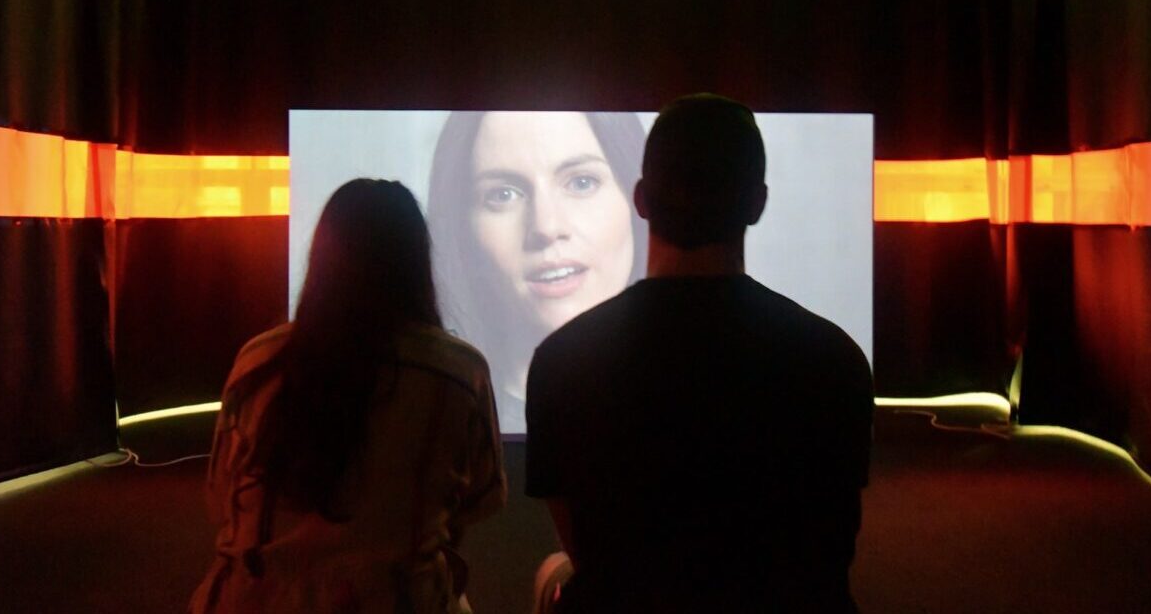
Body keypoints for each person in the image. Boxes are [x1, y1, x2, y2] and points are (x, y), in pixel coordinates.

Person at [525, 94, 874, 612]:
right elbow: (828, 543)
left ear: (641, 199)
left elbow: (588, 550)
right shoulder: (834, 358)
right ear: (757, 203)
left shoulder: (562, 361)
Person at [190, 179, 505, 614]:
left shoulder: (258, 361)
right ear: (417, 263)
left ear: (321, 257)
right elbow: (483, 499)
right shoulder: (459, 372)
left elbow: (219, 495)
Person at [428, 111, 648, 432]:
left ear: (638, 201)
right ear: (463, 228)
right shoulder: (438, 418)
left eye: (581, 182)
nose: (546, 227)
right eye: (503, 194)